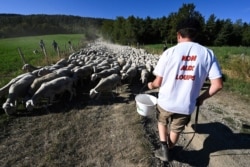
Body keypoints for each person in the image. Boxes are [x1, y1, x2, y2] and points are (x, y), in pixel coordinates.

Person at [147, 18, 223, 162]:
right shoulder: (208, 54)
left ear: (178, 35)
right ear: (196, 35)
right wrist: (201, 98)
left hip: (165, 101)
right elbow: (218, 84)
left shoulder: (169, 52)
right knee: (176, 129)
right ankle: (169, 149)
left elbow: (158, 82)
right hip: (186, 104)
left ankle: (164, 148)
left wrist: (151, 85)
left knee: (162, 121)